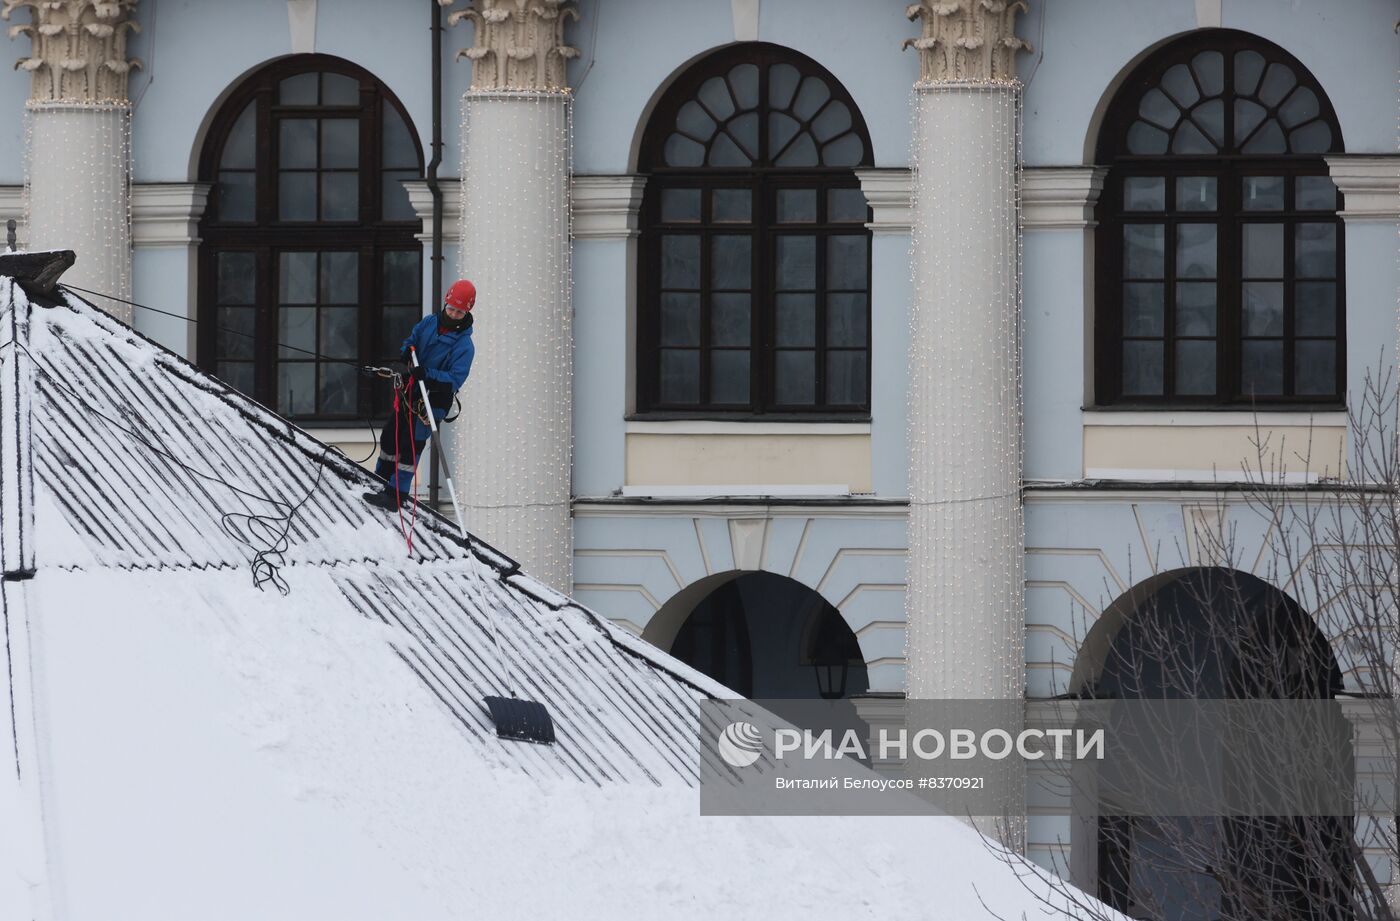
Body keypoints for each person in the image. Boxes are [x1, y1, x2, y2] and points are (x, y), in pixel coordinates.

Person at [364, 278, 476, 510]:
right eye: (452, 309)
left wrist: (429, 374)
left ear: (467, 312)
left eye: (460, 312)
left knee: (410, 445)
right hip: (411, 390)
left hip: (433, 399)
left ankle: (396, 494)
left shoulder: (464, 345)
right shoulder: (428, 323)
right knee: (391, 435)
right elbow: (412, 340)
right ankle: (381, 479)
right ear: (446, 303)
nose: (454, 314)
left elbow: (455, 379)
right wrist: (406, 352)